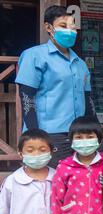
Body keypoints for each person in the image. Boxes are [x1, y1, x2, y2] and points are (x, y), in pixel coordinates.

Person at [15, 5, 95, 168]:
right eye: (63, 26)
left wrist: (96, 129)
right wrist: (34, 135)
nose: (70, 31)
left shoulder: (80, 64)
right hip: (49, 134)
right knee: (49, 185)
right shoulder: (35, 56)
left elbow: (88, 101)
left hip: (79, 137)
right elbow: (26, 96)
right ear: (48, 27)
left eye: (73, 27)